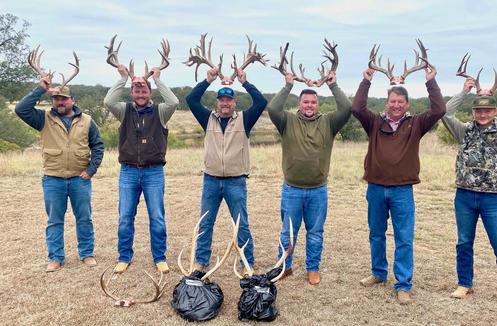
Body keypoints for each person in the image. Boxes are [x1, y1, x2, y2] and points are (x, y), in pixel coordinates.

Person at [351, 65, 445, 303]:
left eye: (400, 102)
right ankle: (378, 273)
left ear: (407, 105)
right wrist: (366, 81)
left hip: (403, 190)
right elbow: (356, 107)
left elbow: (439, 109)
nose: (396, 105)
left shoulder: (417, 124)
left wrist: (431, 82)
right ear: (386, 102)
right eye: (392, 101)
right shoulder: (373, 122)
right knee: (376, 234)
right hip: (376, 188)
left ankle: (403, 285)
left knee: (404, 238)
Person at [266, 71, 352, 285]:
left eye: (313, 102)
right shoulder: (287, 121)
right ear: (299, 103)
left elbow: (347, 108)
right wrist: (287, 86)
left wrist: (334, 86)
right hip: (292, 189)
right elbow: (273, 108)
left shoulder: (330, 122)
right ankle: (284, 267)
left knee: (315, 233)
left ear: (318, 104)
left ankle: (312, 269)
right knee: (288, 232)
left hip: (318, 190)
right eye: (306, 102)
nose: (310, 105)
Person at [15, 78, 104, 272]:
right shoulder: (43, 119)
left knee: (84, 218)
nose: (60, 102)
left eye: (64, 99)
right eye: (56, 99)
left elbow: (98, 146)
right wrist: (40, 89)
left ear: (72, 100)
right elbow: (20, 109)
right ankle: (55, 257)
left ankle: (87, 254)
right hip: (53, 179)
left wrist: (90, 170)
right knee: (55, 220)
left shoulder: (87, 121)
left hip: (79, 180)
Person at [185, 68, 267, 271]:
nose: (225, 103)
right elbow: (191, 99)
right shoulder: (208, 119)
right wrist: (208, 80)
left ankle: (246, 261)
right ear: (217, 102)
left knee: (242, 225)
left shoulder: (244, 119)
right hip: (211, 180)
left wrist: (244, 82)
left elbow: (261, 102)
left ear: (234, 103)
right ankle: (201, 261)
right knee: (205, 223)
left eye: (228, 100)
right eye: (221, 100)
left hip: (235, 181)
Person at [103, 64, 178, 273]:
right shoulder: (123, 110)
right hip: (128, 171)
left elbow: (174, 101)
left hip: (153, 172)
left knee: (157, 217)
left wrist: (157, 78)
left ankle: (160, 258)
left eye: (144, 89)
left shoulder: (160, 112)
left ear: (150, 92)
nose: (140, 93)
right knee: (125, 218)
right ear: (131, 92)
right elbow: (108, 101)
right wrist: (122, 78)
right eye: (137, 90)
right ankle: (124, 257)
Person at [442, 78, 497, 299]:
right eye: (479, 110)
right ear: (473, 111)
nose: (483, 114)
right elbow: (445, 114)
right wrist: (464, 92)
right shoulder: (464, 131)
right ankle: (465, 283)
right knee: (464, 242)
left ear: (494, 111)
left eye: (488, 110)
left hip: (493, 198)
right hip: (464, 195)